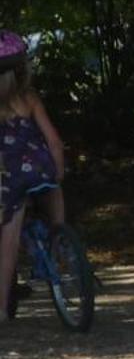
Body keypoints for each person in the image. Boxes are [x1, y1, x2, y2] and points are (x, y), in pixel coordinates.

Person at [0, 32, 66, 321]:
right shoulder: (30, 98)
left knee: (8, 242)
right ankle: (60, 241)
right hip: (40, 165)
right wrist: (59, 170)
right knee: (54, 189)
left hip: (11, 175)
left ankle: (1, 308)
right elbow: (54, 140)